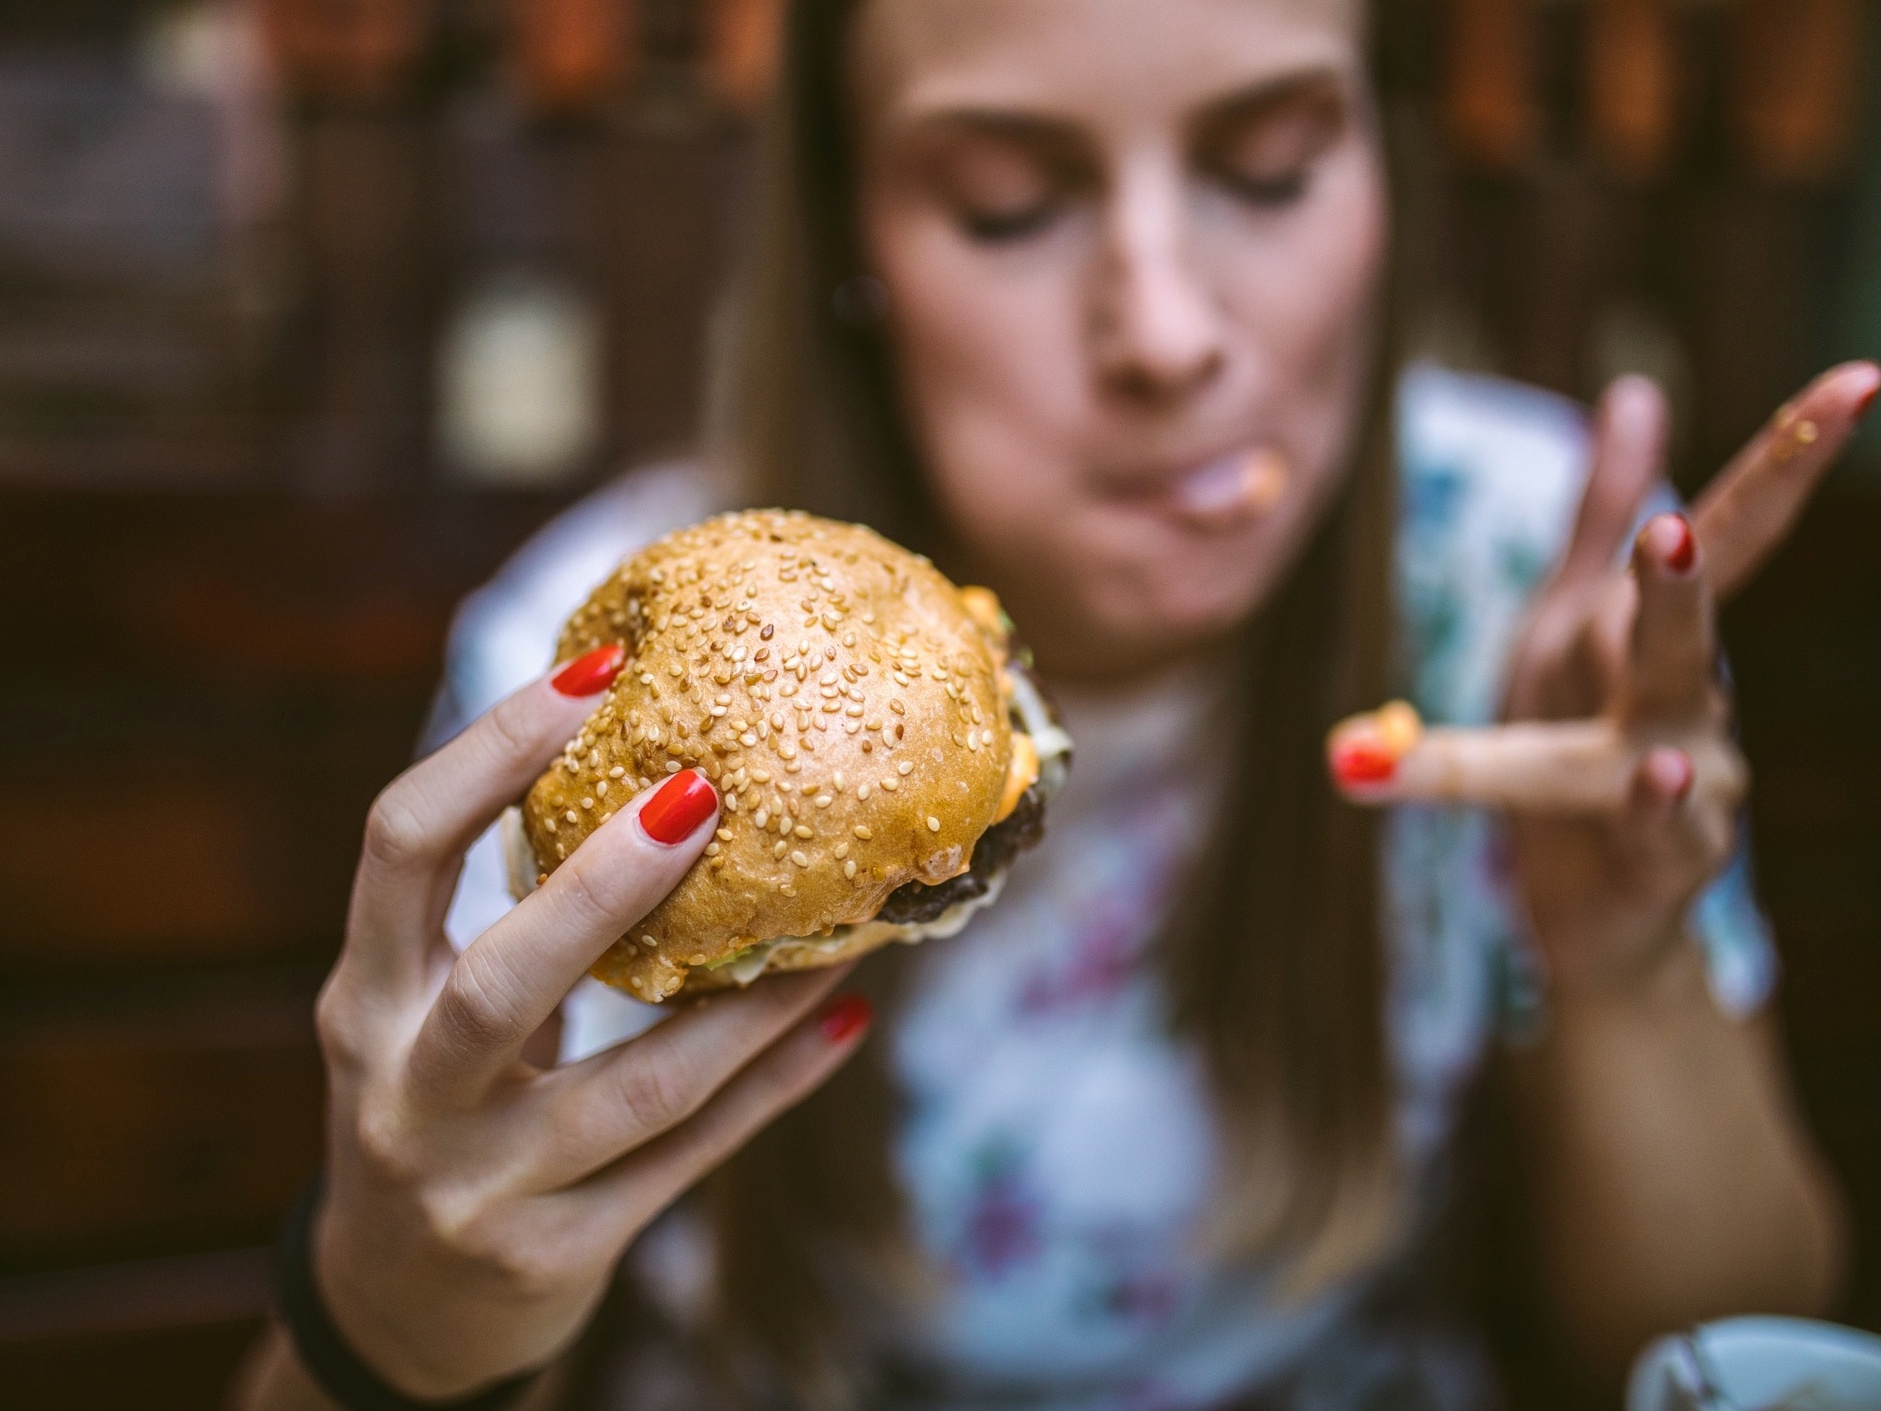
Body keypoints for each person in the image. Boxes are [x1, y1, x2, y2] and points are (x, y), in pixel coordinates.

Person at [234, 2, 1864, 1407]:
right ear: (853, 241)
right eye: (1009, 204)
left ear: (1388, 170)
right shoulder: (601, 682)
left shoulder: (1531, 578)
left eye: (1271, 170)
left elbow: (1709, 1344)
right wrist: (403, 1317)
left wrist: (1625, 971)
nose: (1164, 333)